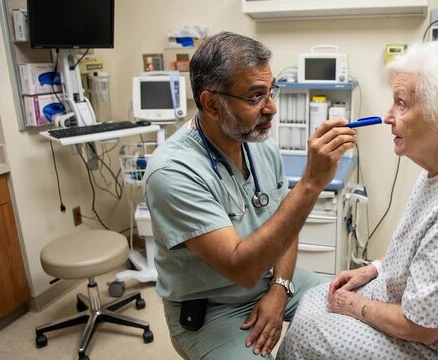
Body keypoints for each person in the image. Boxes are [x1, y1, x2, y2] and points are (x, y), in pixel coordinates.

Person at [277, 39, 438, 359]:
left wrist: (355, 305)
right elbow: (427, 248)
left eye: (401, 103)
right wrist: (372, 269)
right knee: (316, 297)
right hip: (421, 315)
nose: (388, 117)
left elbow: (423, 328)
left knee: (308, 334)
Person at [143, 31, 356, 359]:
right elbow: (241, 269)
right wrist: (311, 183)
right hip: (212, 306)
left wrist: (279, 288)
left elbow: (286, 221)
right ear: (211, 103)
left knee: (352, 312)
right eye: (256, 96)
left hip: (271, 279)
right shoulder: (171, 171)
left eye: (272, 92)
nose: (271, 108)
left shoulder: (260, 145)